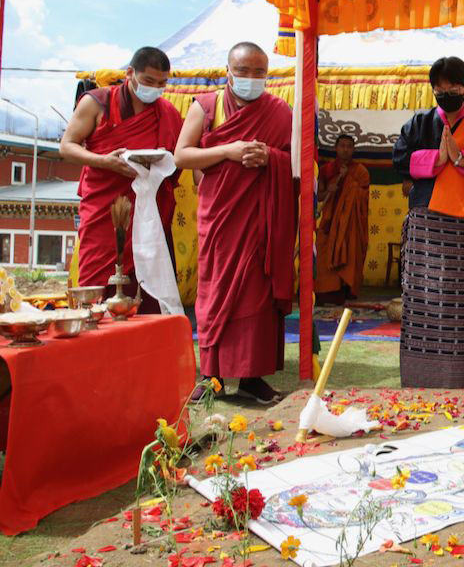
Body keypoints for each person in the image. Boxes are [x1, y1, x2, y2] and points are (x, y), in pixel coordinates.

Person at [174, 42, 295, 403]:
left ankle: (251, 377)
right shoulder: (206, 105)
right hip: (221, 217)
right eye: (243, 71)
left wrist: (270, 157)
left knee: (255, 293)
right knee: (214, 291)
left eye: (260, 72)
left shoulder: (279, 111)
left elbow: (295, 162)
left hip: (259, 219)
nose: (251, 78)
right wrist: (228, 150)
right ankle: (210, 375)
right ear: (228, 70)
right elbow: (182, 155)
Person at [392, 56, 464, 388]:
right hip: (428, 228)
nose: (447, 93)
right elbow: (400, 160)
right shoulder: (418, 123)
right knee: (425, 298)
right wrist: (437, 158)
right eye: (439, 89)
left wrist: (461, 158)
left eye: (453, 87)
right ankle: (421, 373)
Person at [60, 46, 181, 311]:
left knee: (146, 288)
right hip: (104, 209)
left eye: (162, 83)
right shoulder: (98, 101)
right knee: (97, 283)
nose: (155, 88)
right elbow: (67, 146)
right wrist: (103, 161)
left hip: (148, 213)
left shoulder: (168, 113)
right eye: (148, 81)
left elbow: (177, 163)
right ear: (130, 73)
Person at [314, 134, 370, 305]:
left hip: (349, 226)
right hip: (330, 223)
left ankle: (345, 291)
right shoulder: (326, 170)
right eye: (342, 146)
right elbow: (320, 196)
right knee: (323, 252)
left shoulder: (360, 172)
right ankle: (325, 293)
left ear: (353, 149)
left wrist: (349, 182)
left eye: (349, 146)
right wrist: (330, 189)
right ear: (336, 148)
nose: (345, 149)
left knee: (350, 251)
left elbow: (363, 198)